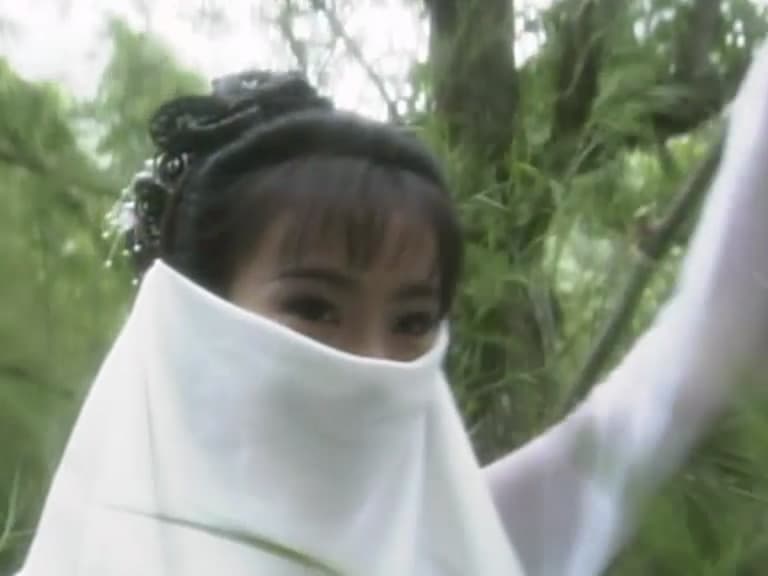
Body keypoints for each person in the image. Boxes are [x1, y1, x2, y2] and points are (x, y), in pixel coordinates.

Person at [17, 40, 768, 576]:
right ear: (196, 327)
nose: (374, 364)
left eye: (411, 323)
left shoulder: (457, 544)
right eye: (315, 308)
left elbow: (686, 364)